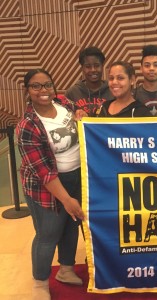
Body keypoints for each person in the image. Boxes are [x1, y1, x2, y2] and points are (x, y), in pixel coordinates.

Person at [16, 69, 85, 300]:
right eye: (36, 86)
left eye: (47, 85)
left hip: (76, 175)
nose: (43, 90)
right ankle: (40, 282)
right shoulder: (27, 126)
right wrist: (67, 200)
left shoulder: (63, 102)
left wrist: (81, 113)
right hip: (47, 185)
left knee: (70, 226)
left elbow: (78, 112)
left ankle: (66, 269)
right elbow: (44, 173)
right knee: (48, 234)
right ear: (27, 90)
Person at [65, 46, 114, 116]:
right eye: (88, 66)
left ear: (102, 66)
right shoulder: (72, 93)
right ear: (82, 68)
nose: (93, 70)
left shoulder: (112, 91)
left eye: (97, 66)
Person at [134, 45, 157, 114]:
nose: (151, 68)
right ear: (141, 69)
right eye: (147, 65)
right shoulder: (133, 95)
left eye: (156, 65)